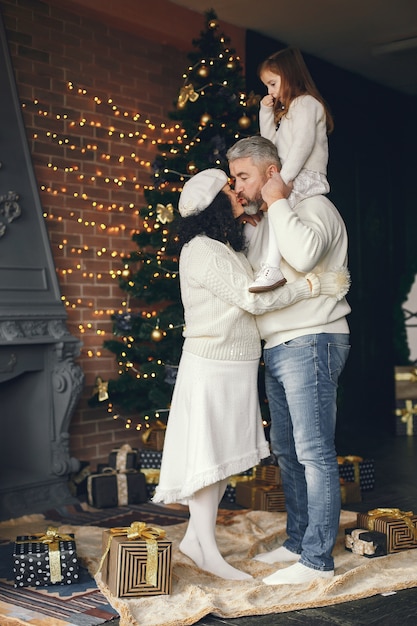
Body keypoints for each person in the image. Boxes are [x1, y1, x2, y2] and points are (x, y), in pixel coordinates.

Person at [152, 168, 350, 581]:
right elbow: (252, 300)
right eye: (230, 188)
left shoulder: (225, 246)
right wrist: (312, 286)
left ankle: (198, 540)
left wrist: (254, 226)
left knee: (221, 458)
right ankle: (204, 547)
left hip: (235, 366)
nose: (238, 192)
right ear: (211, 204)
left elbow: (260, 280)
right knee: (210, 456)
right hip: (213, 365)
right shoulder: (202, 249)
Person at [227, 136, 351, 585]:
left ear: (272, 172)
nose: (238, 184)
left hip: (313, 340)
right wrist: (248, 214)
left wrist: (277, 201)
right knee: (287, 451)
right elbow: (254, 278)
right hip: (278, 346)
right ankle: (299, 543)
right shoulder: (266, 222)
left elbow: (302, 255)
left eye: (244, 176)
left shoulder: (314, 208)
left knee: (314, 452)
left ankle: (317, 562)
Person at [249, 46, 334, 293]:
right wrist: (265, 112)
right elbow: (270, 147)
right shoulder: (288, 112)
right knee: (269, 209)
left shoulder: (307, 104)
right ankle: (270, 264)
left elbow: (303, 146)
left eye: (273, 84)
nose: (270, 91)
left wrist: (282, 181)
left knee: (277, 208)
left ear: (290, 75)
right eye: (267, 86)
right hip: (290, 176)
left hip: (305, 176)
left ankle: (272, 266)